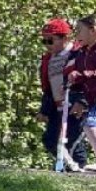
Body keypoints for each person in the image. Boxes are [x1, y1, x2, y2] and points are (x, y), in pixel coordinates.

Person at [36, 18, 87, 170]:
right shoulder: (48, 59)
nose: (46, 45)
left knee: (72, 141)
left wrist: (82, 102)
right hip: (57, 108)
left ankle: (79, 171)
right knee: (50, 139)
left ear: (65, 38)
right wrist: (44, 110)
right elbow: (49, 88)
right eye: (43, 41)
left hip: (75, 106)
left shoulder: (78, 54)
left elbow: (87, 80)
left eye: (50, 40)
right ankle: (70, 167)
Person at [65, 15, 96, 174]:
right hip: (93, 97)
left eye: (80, 30)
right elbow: (79, 76)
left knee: (90, 125)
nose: (77, 34)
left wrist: (84, 74)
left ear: (93, 31)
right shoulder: (83, 52)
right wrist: (74, 81)